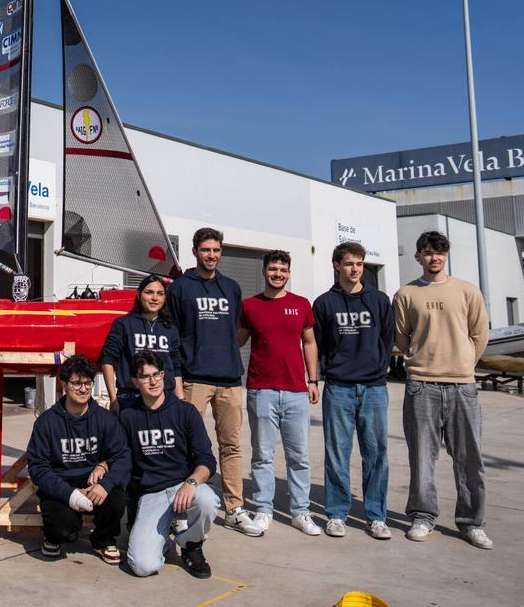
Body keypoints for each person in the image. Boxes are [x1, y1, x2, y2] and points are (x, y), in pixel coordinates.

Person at [393, 230, 492, 550]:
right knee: (422, 456)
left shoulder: (467, 291)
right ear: (418, 256)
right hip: (421, 386)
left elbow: (480, 335)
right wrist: (422, 361)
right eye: (427, 252)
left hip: (463, 386)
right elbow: (402, 338)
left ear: (446, 255)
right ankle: (423, 516)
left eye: (439, 252)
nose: (433, 257)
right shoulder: (406, 294)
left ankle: (472, 522)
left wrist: (463, 364)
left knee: (470, 459)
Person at [168, 227, 262, 536]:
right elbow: (173, 336)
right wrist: (177, 379)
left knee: (231, 446)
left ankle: (234, 509)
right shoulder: (180, 288)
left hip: (229, 379)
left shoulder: (231, 288)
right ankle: (181, 509)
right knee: (185, 445)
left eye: (216, 250)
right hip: (194, 379)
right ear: (195, 251)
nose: (212, 255)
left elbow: (234, 331)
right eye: (206, 250)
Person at [312, 241, 395, 541]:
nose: (355, 269)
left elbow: (388, 339)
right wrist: (322, 374)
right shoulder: (324, 303)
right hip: (339, 388)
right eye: (349, 263)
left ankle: (376, 516)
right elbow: (318, 343)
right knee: (337, 453)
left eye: (359, 263)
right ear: (337, 265)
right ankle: (336, 514)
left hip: (374, 388)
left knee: (376, 453)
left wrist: (378, 368)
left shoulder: (379, 300)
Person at [239, 250, 321, 536]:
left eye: (283, 270)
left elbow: (309, 343)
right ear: (264, 271)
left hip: (296, 391)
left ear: (289, 273)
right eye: (273, 269)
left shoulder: (301, 304)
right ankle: (263, 509)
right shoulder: (249, 306)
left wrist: (313, 380)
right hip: (261, 390)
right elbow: (236, 341)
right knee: (262, 455)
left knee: (299, 457)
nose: (278, 274)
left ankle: (300, 512)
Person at [120, 350, 220, 579]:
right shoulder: (129, 416)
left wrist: (191, 483)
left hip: (183, 487)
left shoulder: (186, 412)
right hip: (151, 493)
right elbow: (122, 461)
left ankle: (190, 544)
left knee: (208, 501)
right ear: (135, 382)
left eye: (156, 374)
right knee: (143, 566)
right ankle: (161, 538)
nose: (153, 381)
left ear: (163, 375)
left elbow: (206, 459)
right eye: (145, 376)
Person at [27, 355, 130, 563]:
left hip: (93, 483)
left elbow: (123, 456)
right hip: (61, 484)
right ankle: (53, 536)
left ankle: (104, 539)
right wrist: (71, 494)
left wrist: (105, 483)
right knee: (63, 528)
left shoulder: (105, 419)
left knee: (116, 498)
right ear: (65, 385)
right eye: (76, 383)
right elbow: (38, 467)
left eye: (87, 383)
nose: (83, 389)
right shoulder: (47, 422)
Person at [100, 276, 180, 414]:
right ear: (139, 295)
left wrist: (180, 397)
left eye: (160, 294)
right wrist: (113, 399)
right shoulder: (123, 324)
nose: (154, 298)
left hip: (164, 398)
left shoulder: (170, 328)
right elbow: (107, 359)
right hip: (130, 398)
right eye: (149, 292)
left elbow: (176, 366)